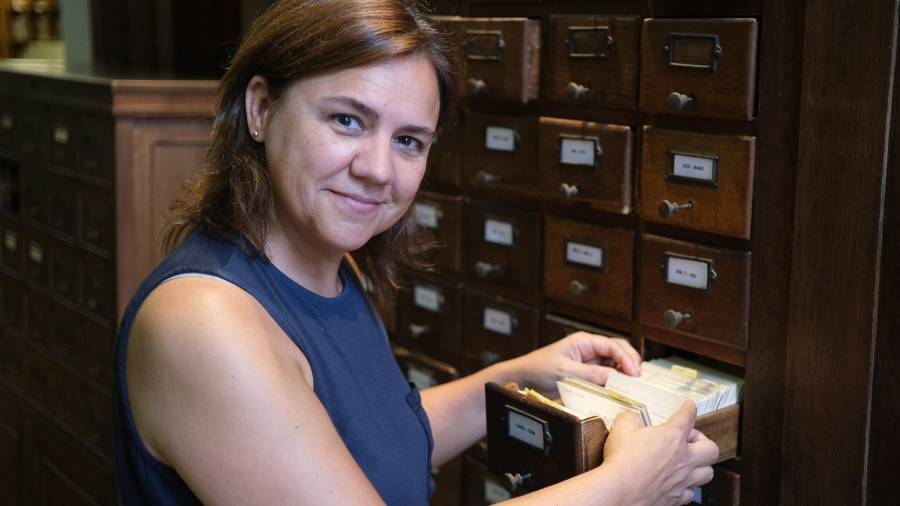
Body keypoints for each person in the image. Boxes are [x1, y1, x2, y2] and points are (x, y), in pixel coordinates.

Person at [113, 0, 719, 504]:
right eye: (347, 120)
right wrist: (627, 485)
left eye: (408, 141)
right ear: (261, 108)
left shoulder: (332, 269)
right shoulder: (201, 322)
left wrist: (524, 376)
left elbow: (374, 440)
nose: (379, 170)